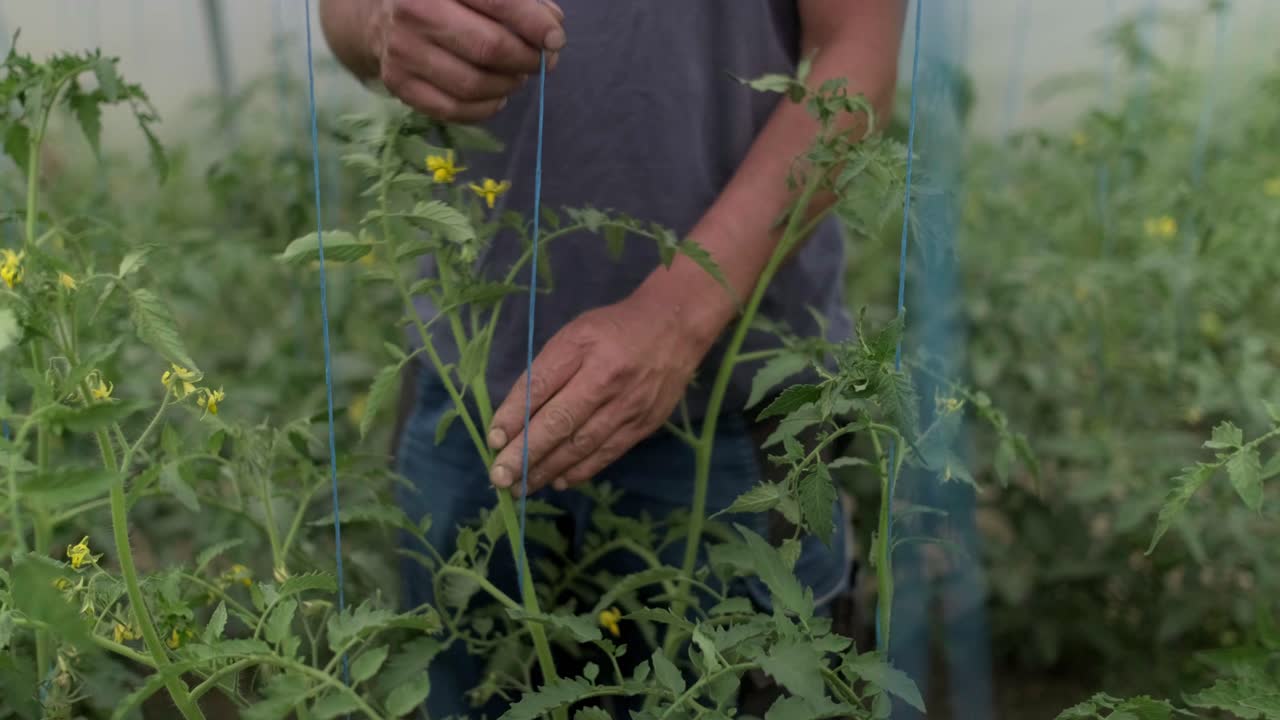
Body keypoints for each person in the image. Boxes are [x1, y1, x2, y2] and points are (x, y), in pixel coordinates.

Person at [319, 1, 905, 716]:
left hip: (736, 403)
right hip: (468, 396)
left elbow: (859, 57)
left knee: (752, 684)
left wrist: (680, 312)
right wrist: (378, 24)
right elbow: (348, 17)